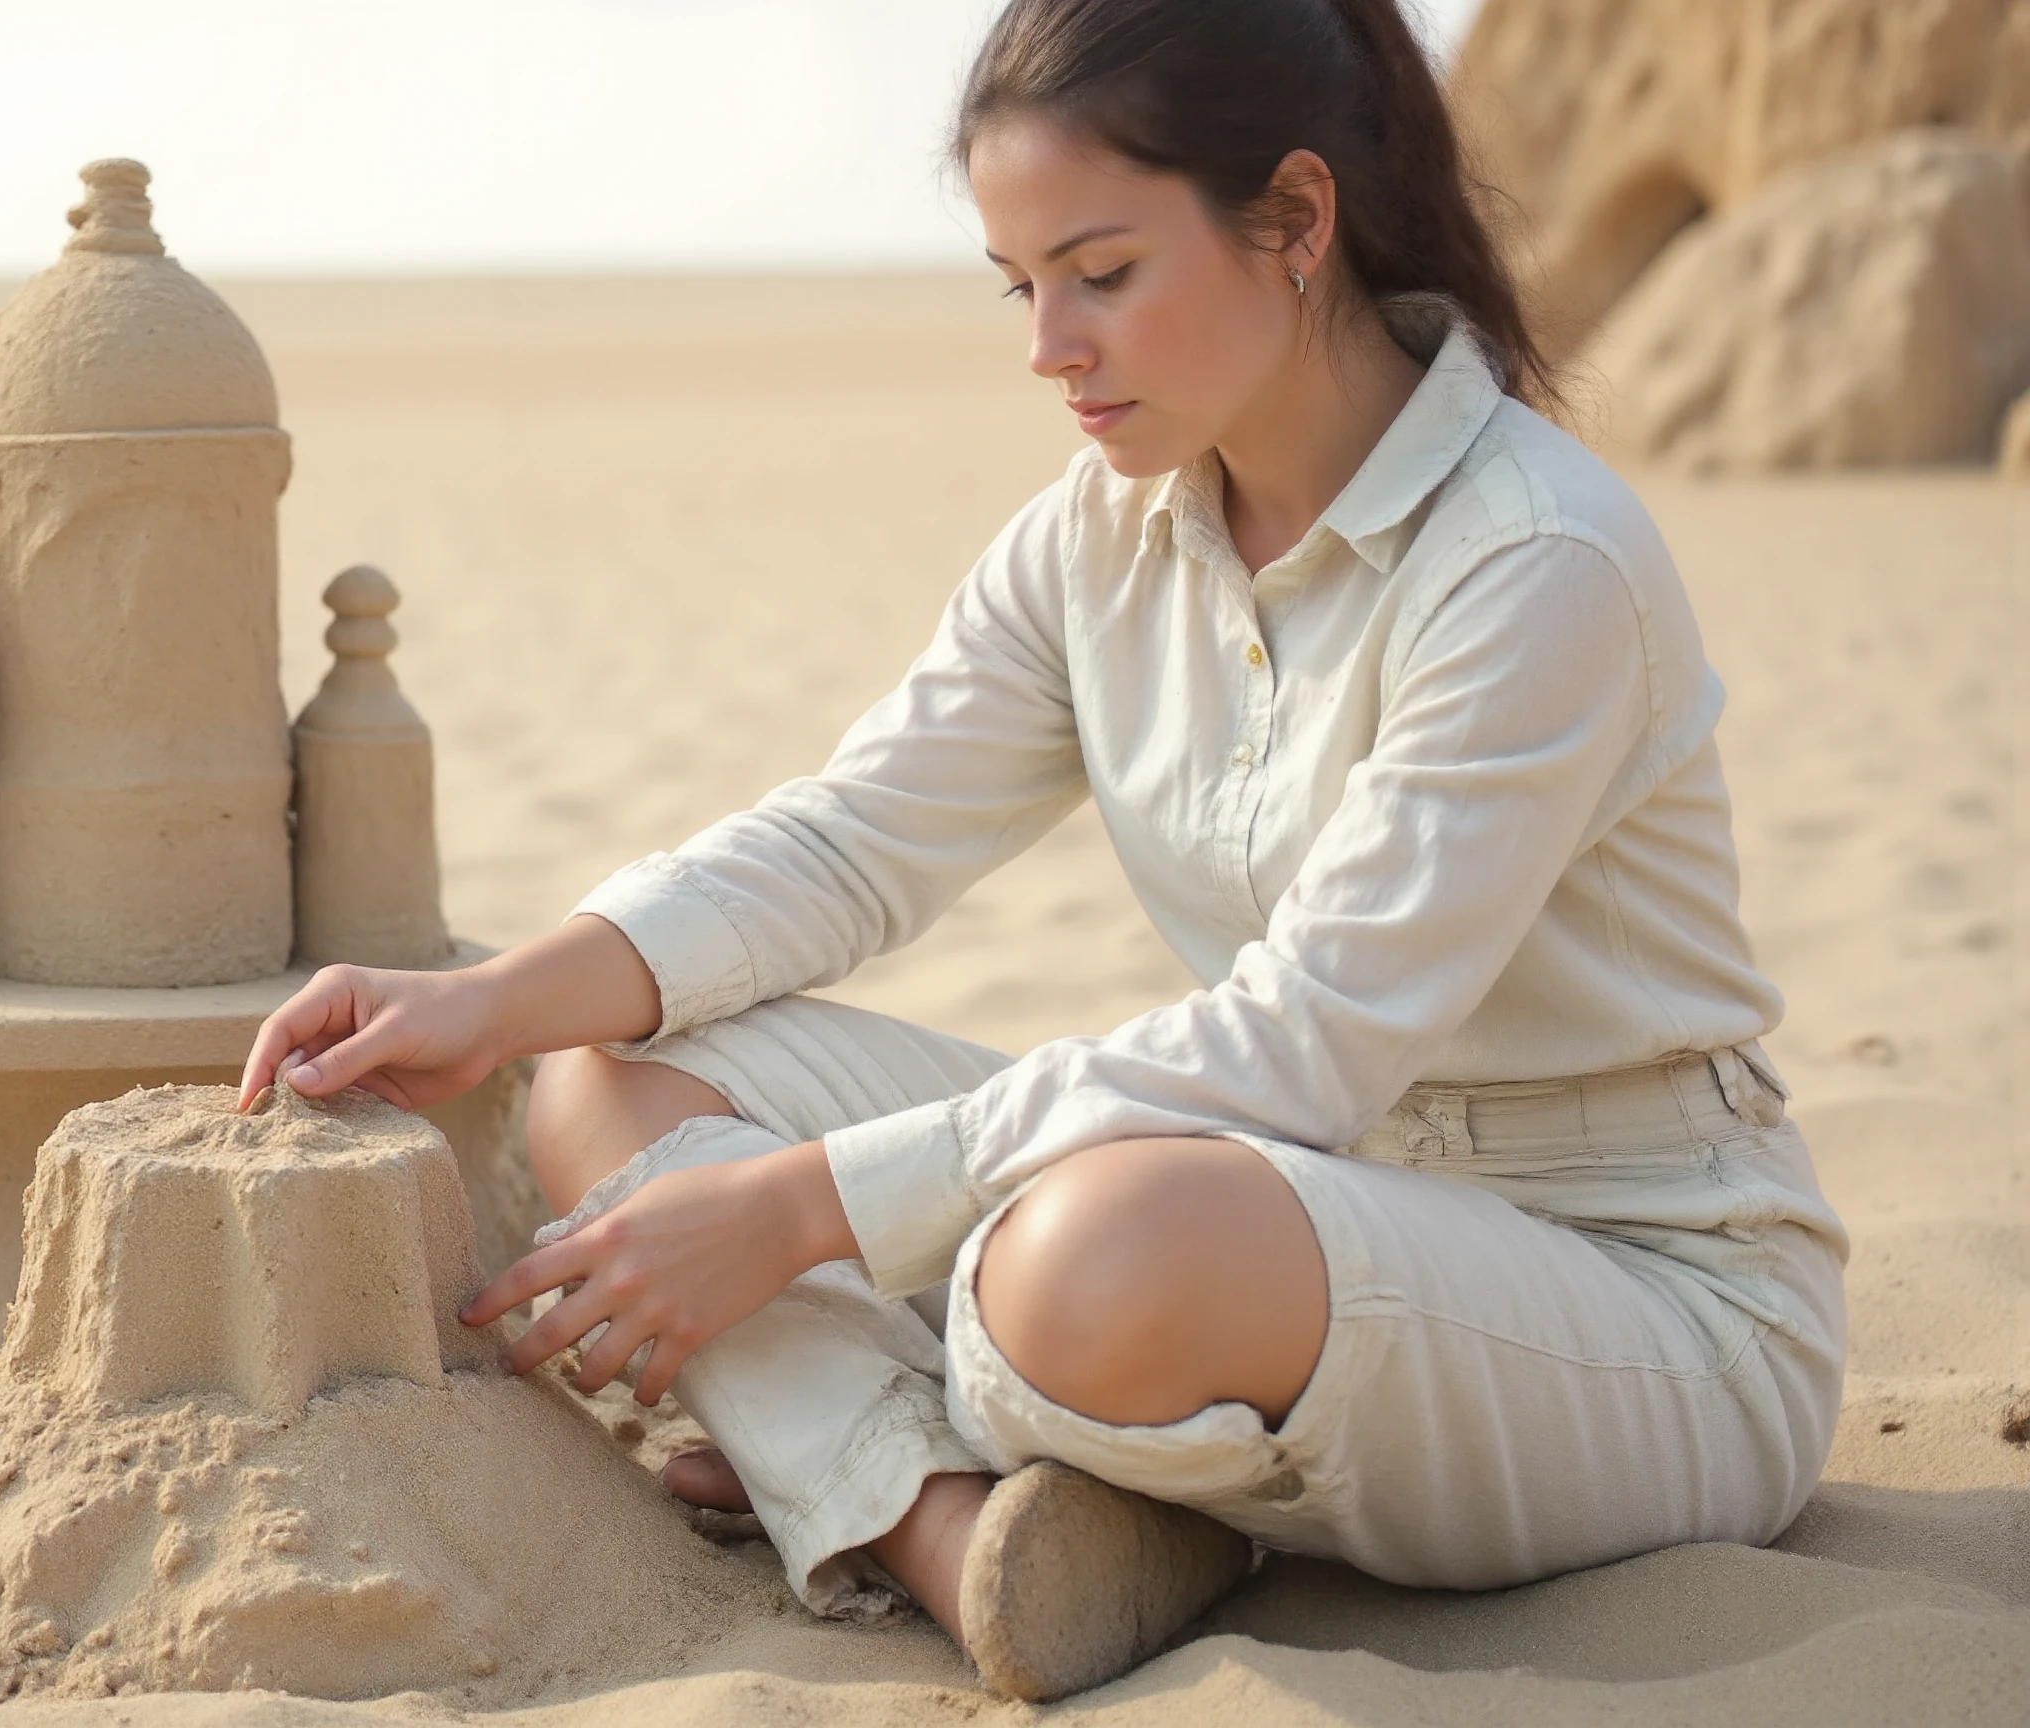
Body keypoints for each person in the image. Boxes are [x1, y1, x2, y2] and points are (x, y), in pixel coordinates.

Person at [237, 0, 1848, 1702]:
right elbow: (857, 836)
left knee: (1079, 1266)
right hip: (1266, 1193)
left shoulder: (1536, 563)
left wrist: (797, 1219)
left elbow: (1303, 1044)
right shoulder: (1103, 535)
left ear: (1296, 222)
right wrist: (493, 1001)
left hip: (1630, 1289)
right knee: (603, 1083)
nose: (1050, 348)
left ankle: (876, 1461)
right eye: (1021, 285)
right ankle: (962, 1527)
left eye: (1101, 272)